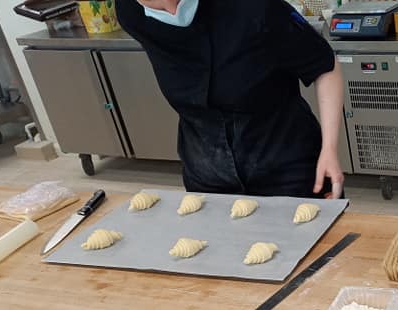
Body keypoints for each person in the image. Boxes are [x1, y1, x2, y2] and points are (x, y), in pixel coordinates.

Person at [116, 0, 345, 199]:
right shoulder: (131, 13)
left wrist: (329, 148)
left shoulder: (254, 7)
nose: (169, 7)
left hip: (286, 164)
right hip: (205, 172)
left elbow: (323, 65)